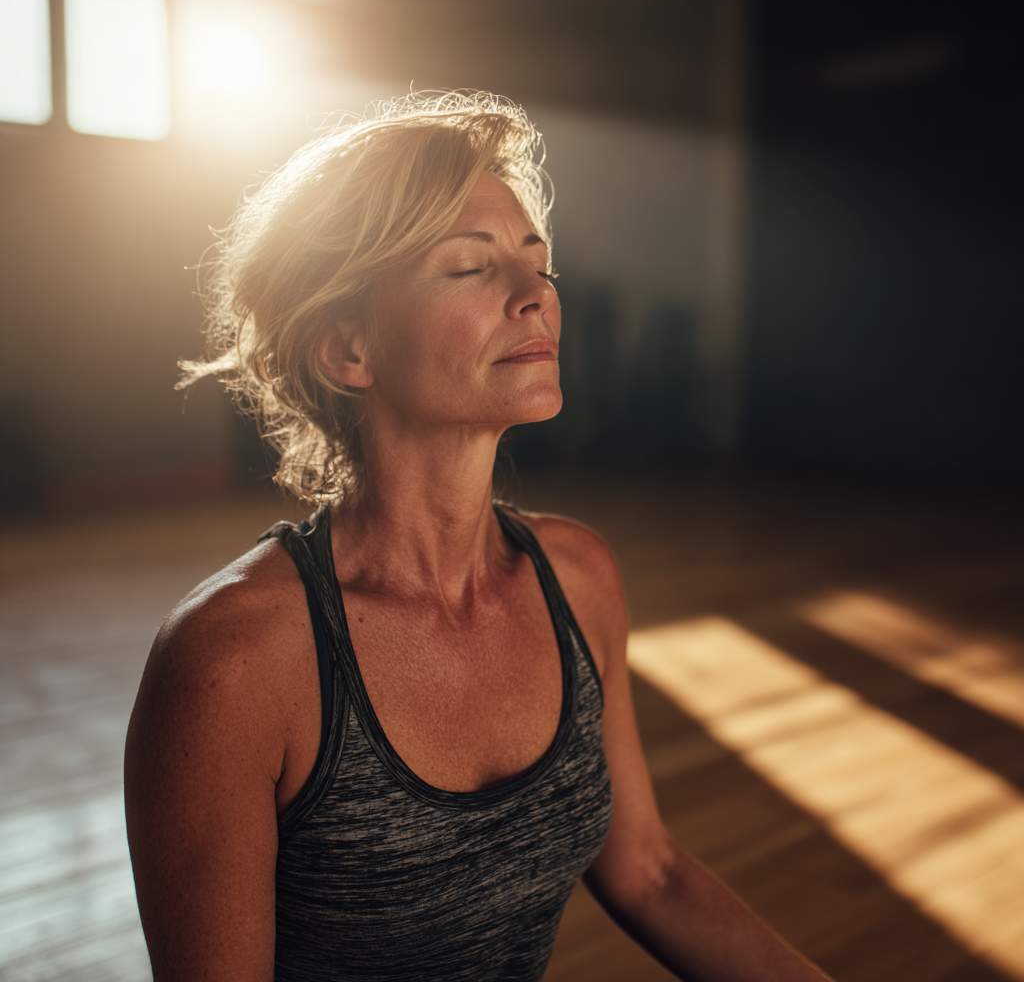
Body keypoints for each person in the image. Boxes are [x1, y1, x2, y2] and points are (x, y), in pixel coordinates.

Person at [124, 92, 831, 982]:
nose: (536, 296)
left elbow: (649, 873)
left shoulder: (577, 575)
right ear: (350, 352)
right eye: (471, 268)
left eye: (537, 264)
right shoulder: (234, 659)